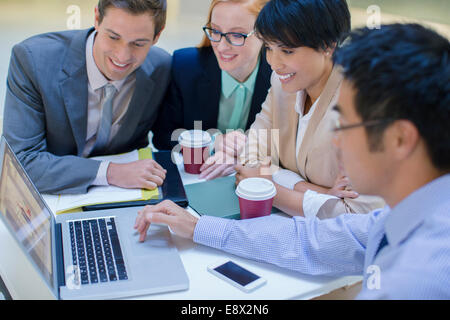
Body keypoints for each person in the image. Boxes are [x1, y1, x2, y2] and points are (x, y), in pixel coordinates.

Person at [134, 23, 450, 299]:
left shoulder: (413, 283)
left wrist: (274, 181)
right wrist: (199, 226)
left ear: (400, 139)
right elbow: (312, 240)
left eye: (345, 124)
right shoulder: (405, 218)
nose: (335, 140)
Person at [233, 0, 384, 218]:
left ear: (328, 45)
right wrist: (313, 191)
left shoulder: (363, 104)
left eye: (287, 50)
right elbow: (250, 160)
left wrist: (273, 192)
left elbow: (356, 215)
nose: (274, 63)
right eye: (268, 48)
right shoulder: (282, 82)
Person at [3, 0, 170, 194]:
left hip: (126, 200)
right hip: (49, 198)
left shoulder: (161, 67)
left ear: (157, 35)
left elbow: (173, 138)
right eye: (113, 37)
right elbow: (19, 162)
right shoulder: (33, 60)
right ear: (97, 18)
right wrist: (109, 172)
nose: (122, 56)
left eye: (139, 44)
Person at [152, 0, 272, 180]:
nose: (222, 47)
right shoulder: (185, 66)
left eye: (237, 35)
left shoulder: (280, 77)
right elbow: (162, 137)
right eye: (215, 31)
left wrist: (246, 153)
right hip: (198, 178)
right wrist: (214, 142)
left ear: (267, 33)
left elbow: (290, 146)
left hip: (254, 182)